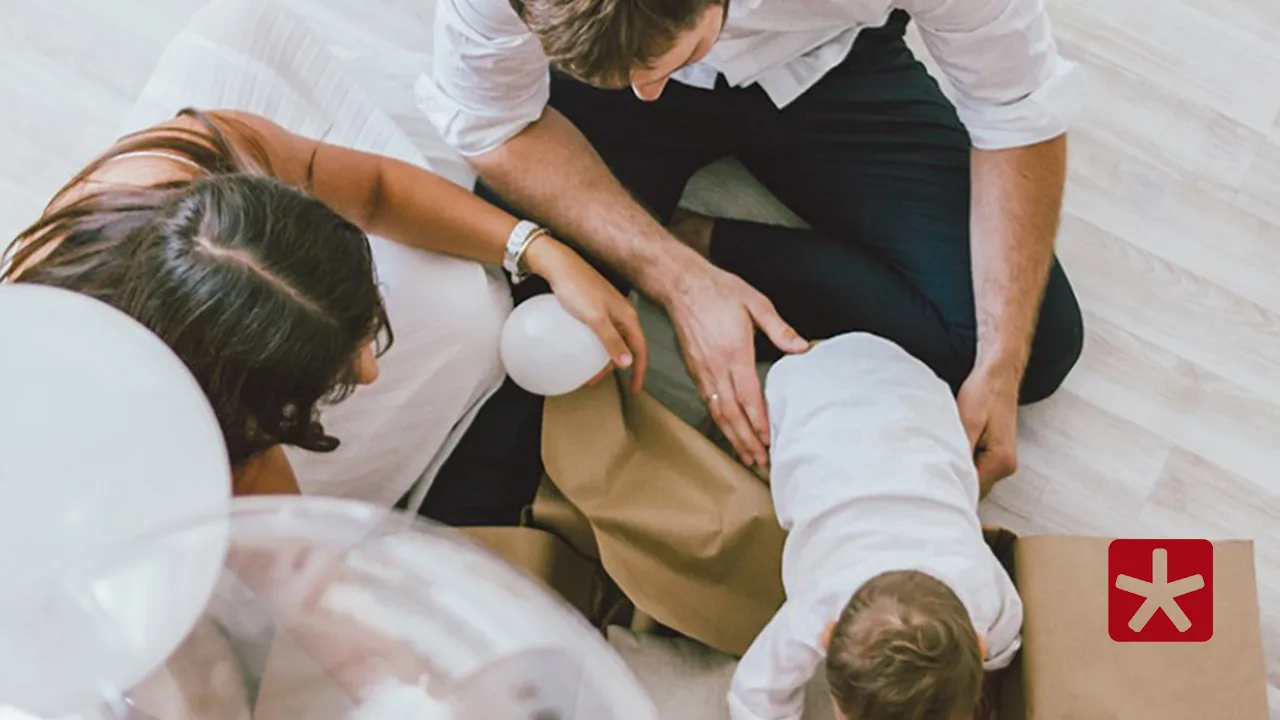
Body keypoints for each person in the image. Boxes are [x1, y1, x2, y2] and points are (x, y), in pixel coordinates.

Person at [420, 0, 1085, 496]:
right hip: (601, 113)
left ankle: (706, 238)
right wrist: (674, 279)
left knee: (1032, 347)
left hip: (829, 65)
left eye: (671, 61)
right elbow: (495, 123)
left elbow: (1013, 107)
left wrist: (998, 364)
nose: (645, 91)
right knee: (529, 335)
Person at [2, 108, 646, 499]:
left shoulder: (197, 155)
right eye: (328, 382)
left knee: (465, 307)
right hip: (102, 457)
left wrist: (540, 251)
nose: (370, 371)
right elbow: (288, 575)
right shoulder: (151, 439)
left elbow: (371, 189)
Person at [726, 333, 1021, 720]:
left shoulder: (984, 592)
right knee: (776, 452)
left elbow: (1006, 643)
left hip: (916, 384)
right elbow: (753, 695)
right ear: (827, 636)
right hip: (809, 379)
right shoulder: (816, 604)